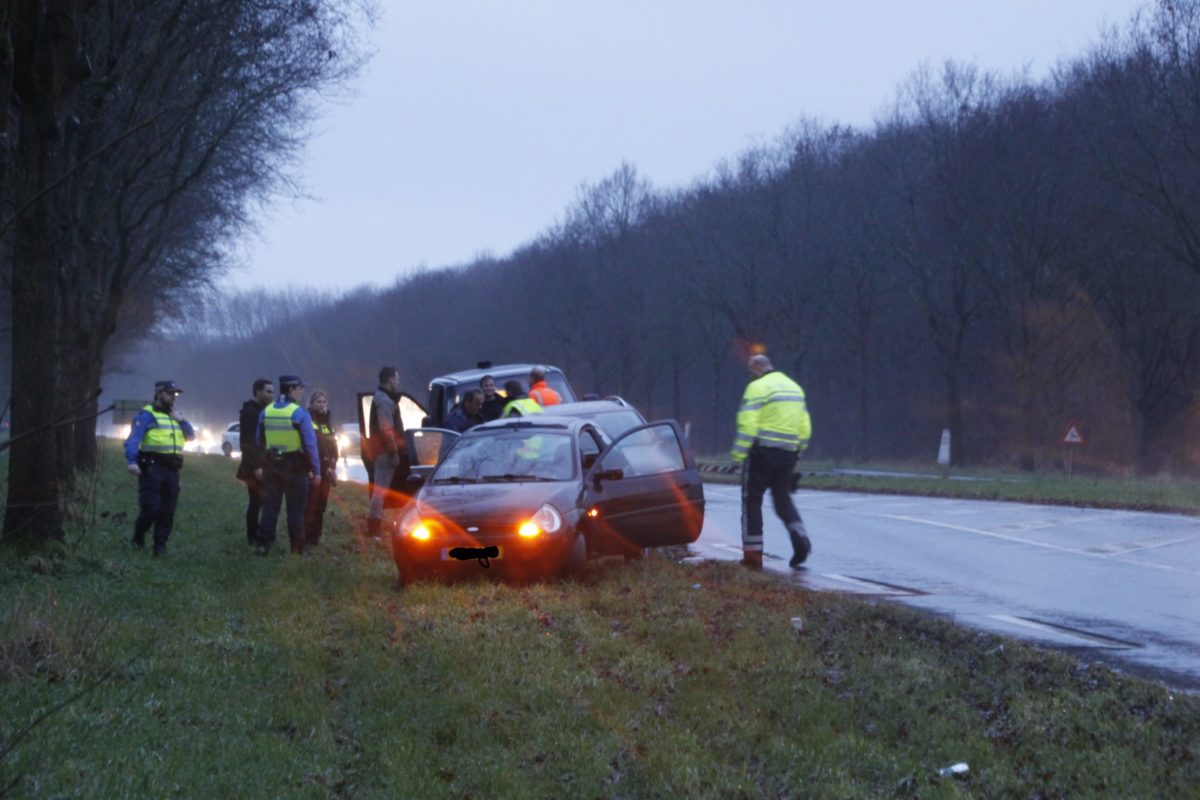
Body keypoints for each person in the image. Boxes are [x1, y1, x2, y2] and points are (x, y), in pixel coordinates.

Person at [731, 354, 812, 570]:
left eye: (751, 372)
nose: (750, 376)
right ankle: (800, 537)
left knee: (752, 500)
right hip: (788, 454)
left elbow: (748, 425)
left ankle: (753, 557)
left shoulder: (757, 388)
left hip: (762, 453)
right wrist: (797, 452)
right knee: (782, 499)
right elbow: (805, 427)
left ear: (756, 368)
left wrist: (738, 456)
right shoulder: (794, 388)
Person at [124, 380, 195, 557]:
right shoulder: (146, 415)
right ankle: (139, 536)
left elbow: (191, 436)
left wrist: (183, 421)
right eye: (170, 393)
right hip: (152, 467)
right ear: (159, 393)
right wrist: (131, 461)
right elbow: (133, 439)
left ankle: (160, 546)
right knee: (151, 508)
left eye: (175, 394)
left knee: (168, 510)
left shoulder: (175, 416)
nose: (173, 397)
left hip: (172, 469)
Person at [255, 374, 320, 555]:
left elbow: (258, 440)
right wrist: (316, 471)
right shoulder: (299, 413)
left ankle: (263, 545)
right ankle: (296, 549)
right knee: (296, 511)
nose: (302, 392)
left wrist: (262, 462)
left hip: (271, 465)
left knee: (269, 508)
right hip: (295, 468)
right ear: (291, 389)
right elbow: (310, 444)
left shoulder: (266, 411)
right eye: (300, 388)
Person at [367, 366, 407, 541]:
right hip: (384, 453)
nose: (397, 381)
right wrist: (394, 451)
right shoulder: (384, 401)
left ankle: (376, 525)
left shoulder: (382, 398)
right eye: (396, 378)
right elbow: (386, 429)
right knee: (380, 491)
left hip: (381, 451)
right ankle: (374, 528)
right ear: (390, 379)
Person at [235, 378, 274, 545]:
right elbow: (248, 442)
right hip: (254, 466)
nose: (271, 395)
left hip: (265, 463)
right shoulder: (250, 412)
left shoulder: (264, 410)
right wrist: (257, 466)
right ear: (258, 391)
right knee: (256, 502)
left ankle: (261, 534)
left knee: (264, 501)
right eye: (268, 392)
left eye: (272, 392)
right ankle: (253, 536)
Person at [304, 389, 340, 549]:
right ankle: (306, 537)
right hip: (315, 468)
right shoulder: (309, 419)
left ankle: (315, 538)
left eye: (324, 402)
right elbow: (314, 444)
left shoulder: (327, 420)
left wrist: (334, 462)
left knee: (321, 506)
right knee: (311, 504)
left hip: (327, 469)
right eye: (318, 401)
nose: (322, 405)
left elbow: (332, 443)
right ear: (311, 403)